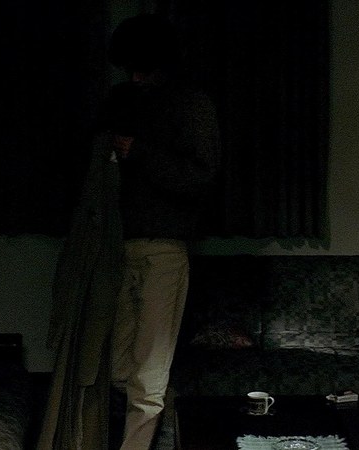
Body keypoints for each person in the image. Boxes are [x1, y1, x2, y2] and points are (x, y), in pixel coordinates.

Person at [105, 13, 221, 450]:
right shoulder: (122, 100)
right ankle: (172, 432)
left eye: (144, 68)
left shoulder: (191, 104)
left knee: (147, 375)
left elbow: (201, 177)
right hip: (118, 247)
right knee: (118, 369)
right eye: (130, 68)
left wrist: (140, 153)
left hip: (164, 248)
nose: (136, 77)